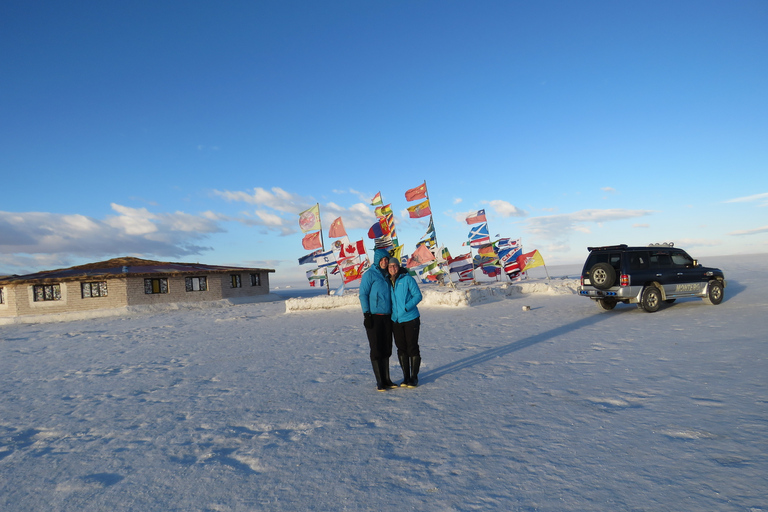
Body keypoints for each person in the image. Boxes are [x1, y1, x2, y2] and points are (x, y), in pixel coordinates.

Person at [359, 248, 397, 391]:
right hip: (374, 317)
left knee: (387, 347)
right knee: (376, 348)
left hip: (387, 316)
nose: (384, 262)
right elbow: (363, 294)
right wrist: (366, 313)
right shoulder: (369, 275)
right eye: (381, 260)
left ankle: (387, 379)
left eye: (386, 259)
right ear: (377, 260)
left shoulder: (388, 275)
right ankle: (380, 381)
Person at [388, 257, 423, 387]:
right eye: (390, 266)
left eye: (395, 266)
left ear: (398, 266)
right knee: (401, 349)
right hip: (396, 320)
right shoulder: (388, 281)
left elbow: (418, 296)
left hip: (410, 318)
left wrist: (406, 307)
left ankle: (414, 377)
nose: (392, 268)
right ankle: (406, 377)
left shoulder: (407, 279)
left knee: (412, 347)